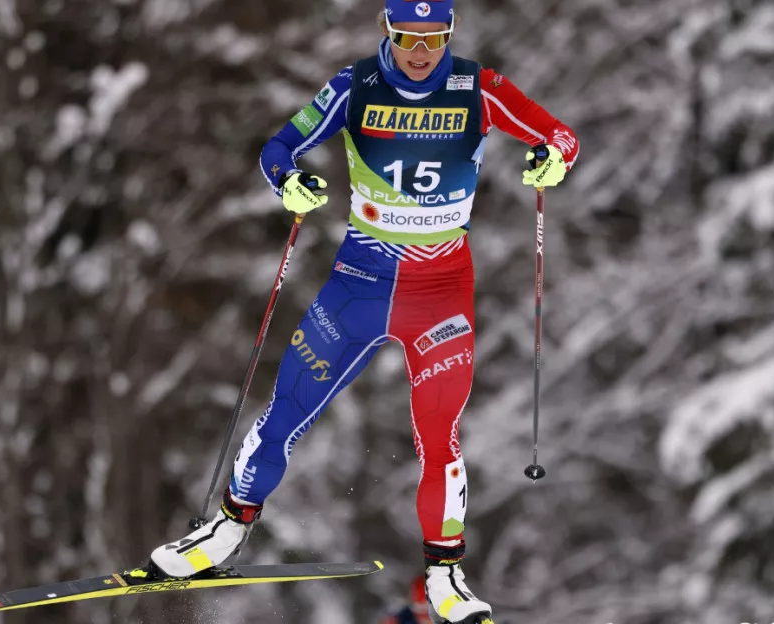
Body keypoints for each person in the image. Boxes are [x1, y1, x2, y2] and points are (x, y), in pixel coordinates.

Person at [134, 1, 578, 622]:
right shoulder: (355, 86)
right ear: (386, 33)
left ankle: (446, 576)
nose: (421, 53)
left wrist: (553, 158)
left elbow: (559, 134)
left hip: (440, 294)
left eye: (434, 39)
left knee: (439, 436)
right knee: (287, 406)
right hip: (359, 286)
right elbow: (279, 146)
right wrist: (287, 179)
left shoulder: (476, 87)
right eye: (408, 39)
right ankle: (225, 531)